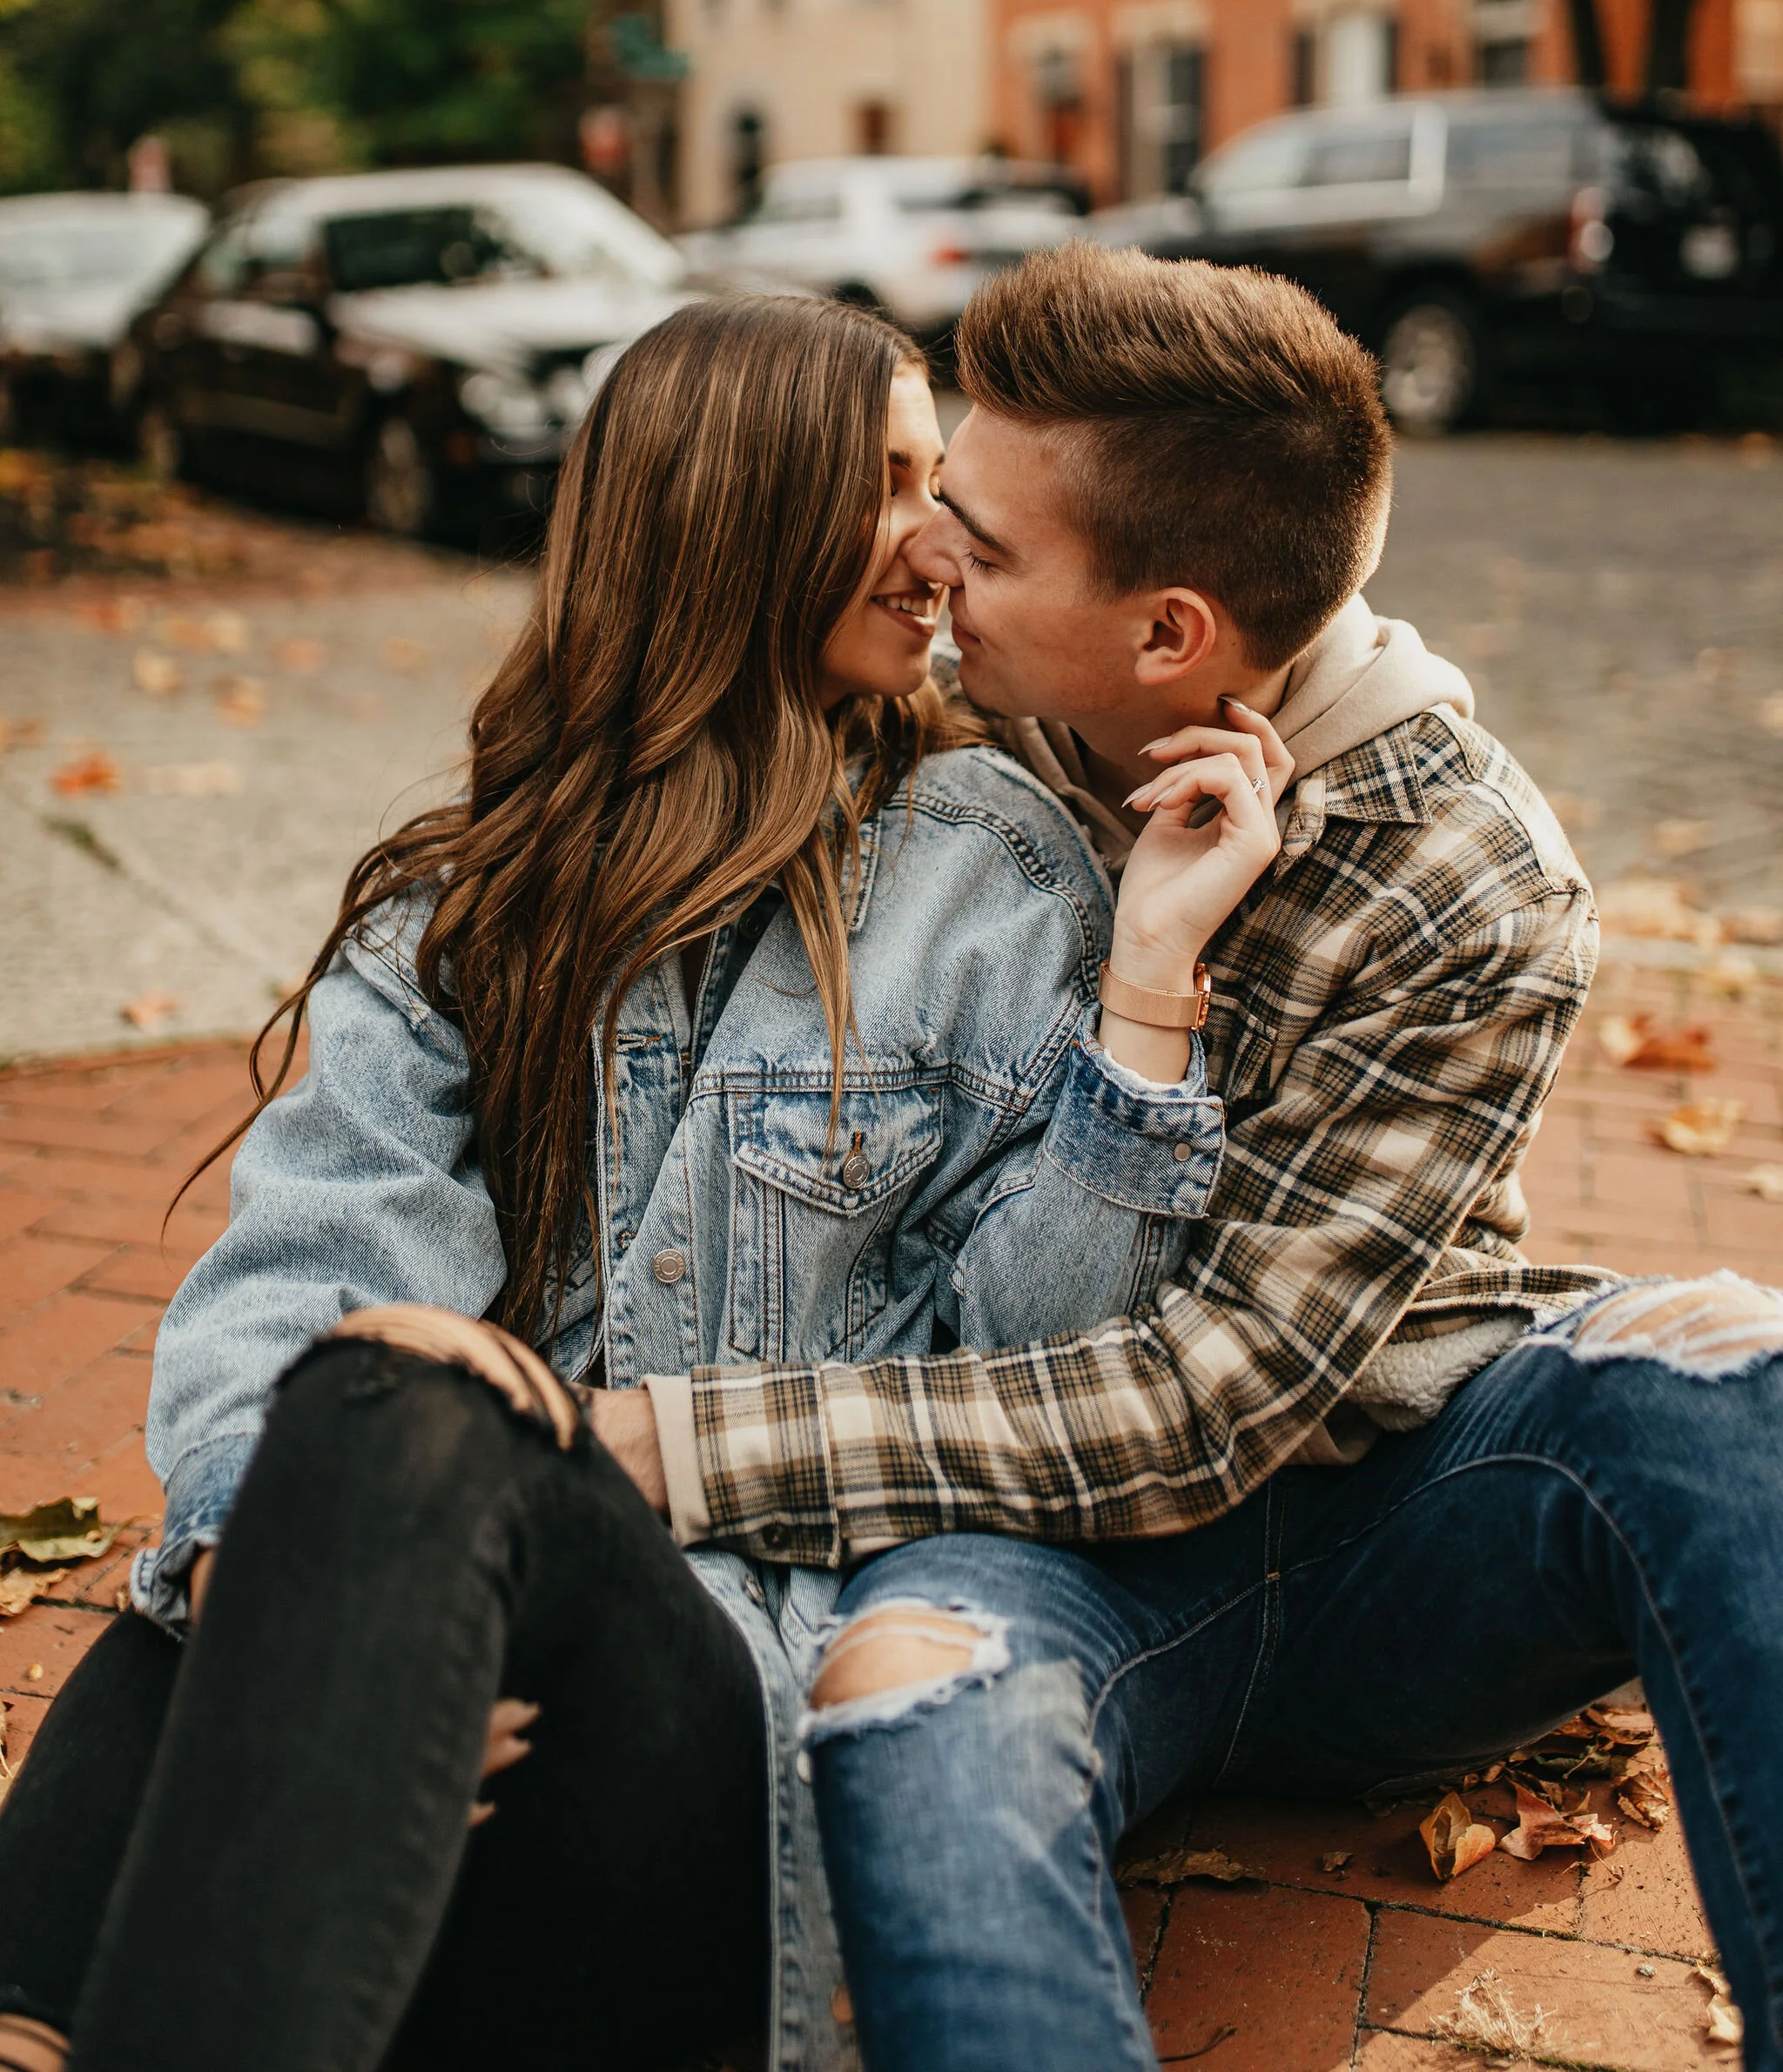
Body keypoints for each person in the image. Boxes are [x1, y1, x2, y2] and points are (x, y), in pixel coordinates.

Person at [0, 289, 1287, 2072]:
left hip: (715, 1688)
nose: (938, 540)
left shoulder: (997, 887)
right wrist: (289, 1604)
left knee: (397, 1399)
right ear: (729, 506)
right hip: (439, 1607)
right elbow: (303, 1264)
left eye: (941, 486)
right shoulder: (471, 907)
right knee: (295, 1478)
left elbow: (1025, 1369)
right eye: (889, 481)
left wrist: (1145, 994)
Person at [581, 247, 1783, 2072]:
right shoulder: (940, 722)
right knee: (909, 1698)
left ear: (1169, 635)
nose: (926, 561)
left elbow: (1209, 1398)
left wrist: (679, 1444)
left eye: (982, 545)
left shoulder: (1470, 877)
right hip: (1029, 1558)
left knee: (1734, 1372)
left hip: (1392, 1524)